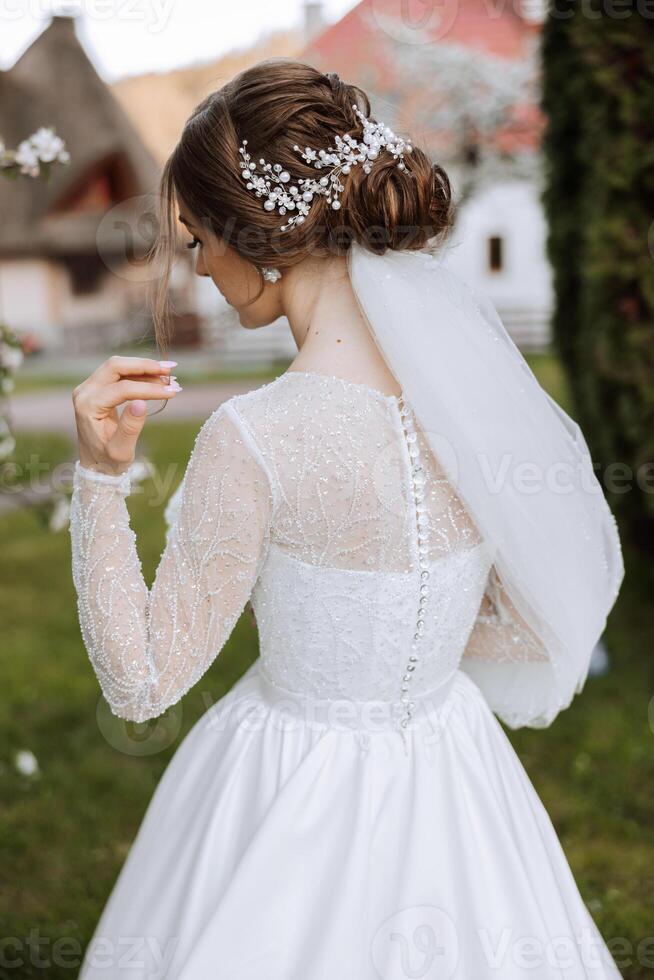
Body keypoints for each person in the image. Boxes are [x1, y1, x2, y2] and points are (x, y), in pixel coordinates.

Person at [69, 61, 624, 979]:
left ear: (260, 238)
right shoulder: (476, 409)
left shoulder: (255, 438)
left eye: (202, 238)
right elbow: (529, 620)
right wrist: (417, 645)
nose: (201, 266)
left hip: (287, 793)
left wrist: (97, 478)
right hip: (455, 772)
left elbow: (141, 682)